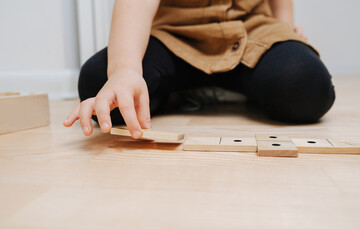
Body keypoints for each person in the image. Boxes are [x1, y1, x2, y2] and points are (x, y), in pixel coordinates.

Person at [63, 0, 335, 139]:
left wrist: (285, 27)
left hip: (251, 30)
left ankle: (231, 87)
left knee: (305, 83)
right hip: (174, 33)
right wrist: (125, 70)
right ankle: (183, 92)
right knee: (99, 83)